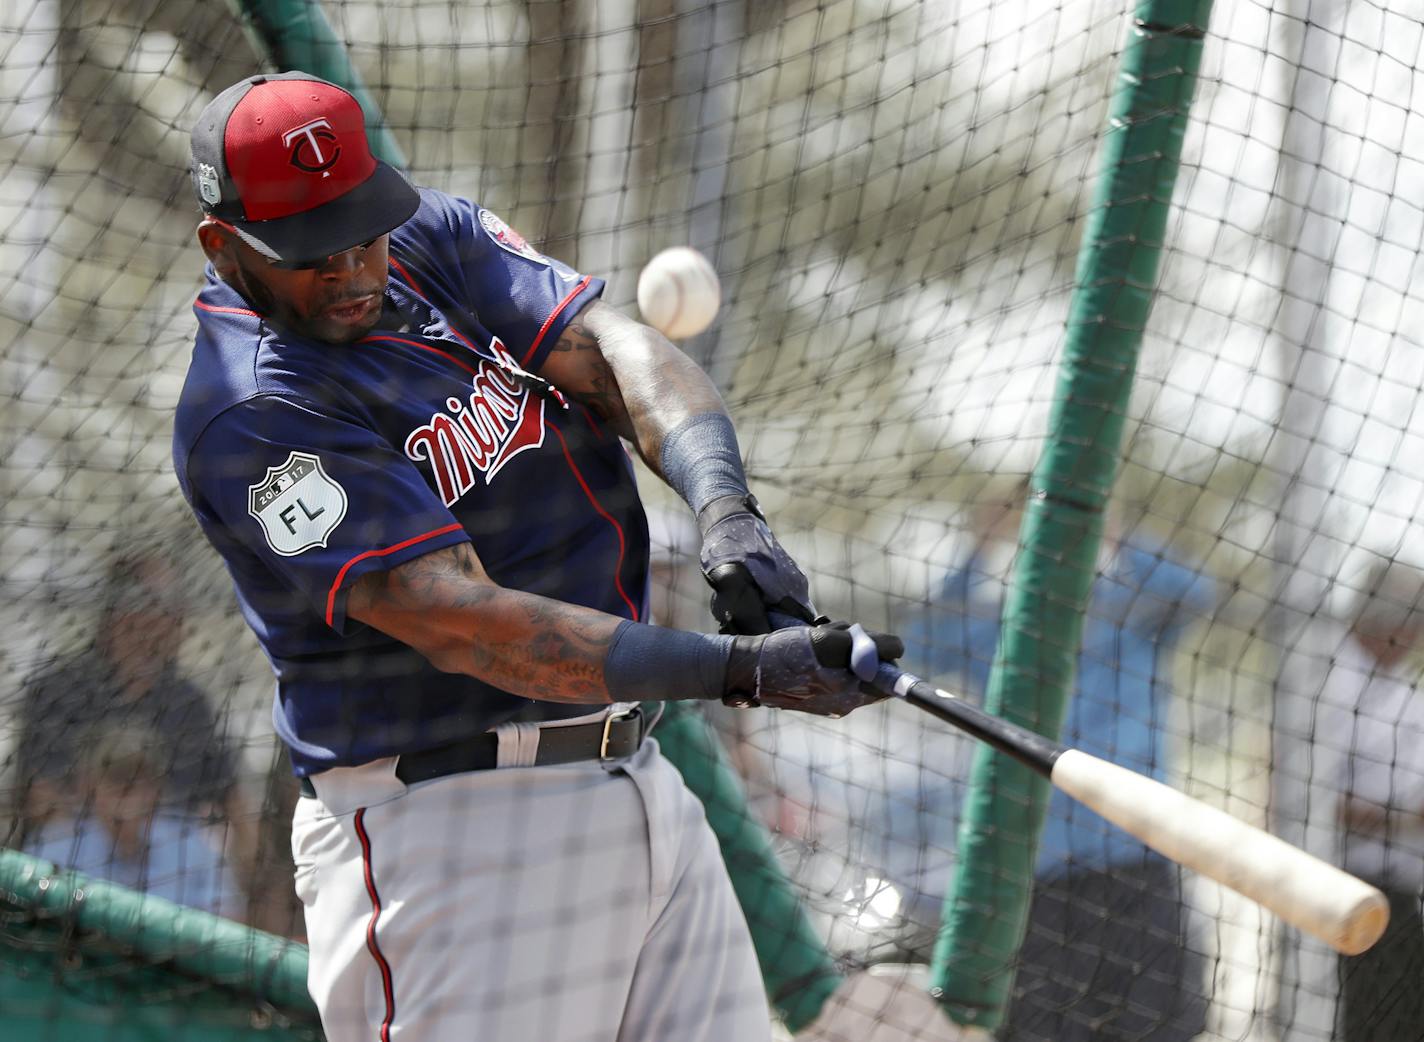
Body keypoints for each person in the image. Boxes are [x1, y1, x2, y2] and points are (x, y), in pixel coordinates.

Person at [173, 71, 900, 1042]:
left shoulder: (427, 241)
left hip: (631, 778)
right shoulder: (249, 407)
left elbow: (609, 353)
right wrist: (734, 671)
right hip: (450, 836)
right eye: (311, 253)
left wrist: (729, 513)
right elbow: (464, 624)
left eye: (361, 231)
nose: (352, 271)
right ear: (223, 247)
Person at [911, 497, 1216, 1041]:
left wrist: (1115, 528)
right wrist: (982, 544)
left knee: (1163, 1025)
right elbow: (928, 640)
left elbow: (1198, 593)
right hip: (1036, 873)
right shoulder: (1006, 633)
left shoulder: (1132, 620)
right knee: (1041, 1028)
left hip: (1135, 858)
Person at [9, 548, 261, 921]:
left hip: (176, 862)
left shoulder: (187, 702)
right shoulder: (61, 688)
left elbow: (234, 804)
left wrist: (247, 880)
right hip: (81, 860)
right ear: (121, 615)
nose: (176, 619)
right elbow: (40, 802)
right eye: (161, 606)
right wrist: (120, 820)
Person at [1333, 557, 1424, 1042]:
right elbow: (1297, 796)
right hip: (1341, 893)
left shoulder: (1405, 687)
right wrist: (1402, 820)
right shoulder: (1327, 677)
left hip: (1401, 896)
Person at [24, 723, 245, 917]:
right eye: (116, 779)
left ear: (158, 789)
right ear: (89, 788)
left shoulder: (193, 845)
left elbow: (229, 923)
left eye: (140, 780)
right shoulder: (52, 849)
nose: (128, 793)